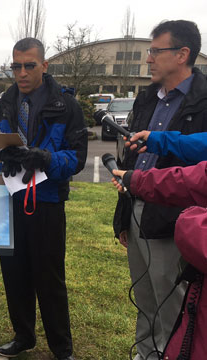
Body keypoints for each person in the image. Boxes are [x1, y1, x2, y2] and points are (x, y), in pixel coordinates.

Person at [112, 20, 207, 360]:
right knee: (146, 298)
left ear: (183, 54)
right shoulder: (147, 98)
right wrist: (124, 214)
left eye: (155, 51)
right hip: (136, 208)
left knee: (173, 304)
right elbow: (132, 158)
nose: (148, 59)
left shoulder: (204, 99)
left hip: (176, 220)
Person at [0, 38, 88, 360]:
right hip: (12, 199)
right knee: (14, 273)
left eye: (29, 65)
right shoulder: (6, 101)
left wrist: (45, 159)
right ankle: (23, 336)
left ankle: (61, 348)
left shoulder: (66, 105)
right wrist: (1, 156)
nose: (21, 73)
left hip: (46, 202)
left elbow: (76, 158)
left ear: (44, 66)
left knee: (49, 278)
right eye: (16, 66)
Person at [111, 131, 207, 360]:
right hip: (144, 203)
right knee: (146, 298)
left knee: (174, 311)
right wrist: (136, 181)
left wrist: (189, 223)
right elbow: (195, 178)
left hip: (170, 222)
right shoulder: (148, 102)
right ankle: (145, 355)